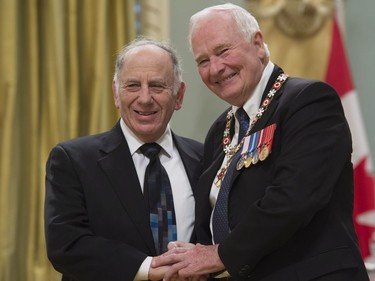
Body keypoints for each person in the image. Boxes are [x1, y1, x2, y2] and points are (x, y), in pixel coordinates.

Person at [152, 3, 370, 281]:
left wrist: (219, 255)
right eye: (203, 61)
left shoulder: (309, 101)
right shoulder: (221, 130)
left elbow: (293, 198)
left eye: (223, 51)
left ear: (257, 43)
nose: (216, 68)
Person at [44, 37, 203, 281]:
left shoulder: (204, 158)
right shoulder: (73, 160)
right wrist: (148, 268)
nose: (145, 98)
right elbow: (66, 245)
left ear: (179, 95)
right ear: (116, 94)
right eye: (132, 86)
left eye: (157, 86)